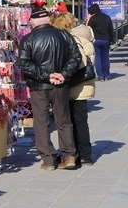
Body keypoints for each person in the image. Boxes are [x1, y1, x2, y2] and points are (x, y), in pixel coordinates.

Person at [16, 9, 81, 171]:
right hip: (60, 85)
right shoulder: (64, 35)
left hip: (39, 86)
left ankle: (49, 159)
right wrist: (63, 75)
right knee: (63, 120)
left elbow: (24, 63)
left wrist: (46, 76)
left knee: (41, 122)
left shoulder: (28, 39)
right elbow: (76, 57)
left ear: (34, 22)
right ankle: (69, 155)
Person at [51, 12, 96, 167]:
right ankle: (85, 155)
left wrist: (64, 75)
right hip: (84, 85)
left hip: (75, 85)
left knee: (73, 121)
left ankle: (79, 154)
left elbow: (78, 61)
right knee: (81, 121)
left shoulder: (72, 39)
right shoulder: (85, 35)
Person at [86, 3, 115, 81]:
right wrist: (112, 40)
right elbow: (111, 30)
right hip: (106, 40)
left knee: (98, 58)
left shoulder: (92, 19)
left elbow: (87, 29)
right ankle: (107, 75)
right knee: (106, 58)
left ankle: (101, 76)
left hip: (96, 40)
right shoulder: (107, 17)